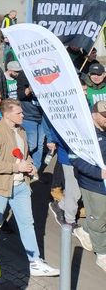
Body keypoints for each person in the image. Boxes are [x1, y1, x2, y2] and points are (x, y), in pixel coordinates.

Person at [0, 98, 60, 277]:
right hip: (0, 187)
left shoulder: (22, 131)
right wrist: (18, 167)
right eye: (19, 113)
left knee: (27, 223)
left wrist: (30, 165)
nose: (23, 115)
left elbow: (24, 155)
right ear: (7, 114)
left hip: (21, 187)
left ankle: (35, 261)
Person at [70, 100, 106, 272]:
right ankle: (102, 254)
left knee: (102, 216)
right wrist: (99, 173)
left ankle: (83, 231)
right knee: (99, 219)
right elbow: (74, 158)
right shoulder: (83, 133)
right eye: (104, 116)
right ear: (93, 114)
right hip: (93, 183)